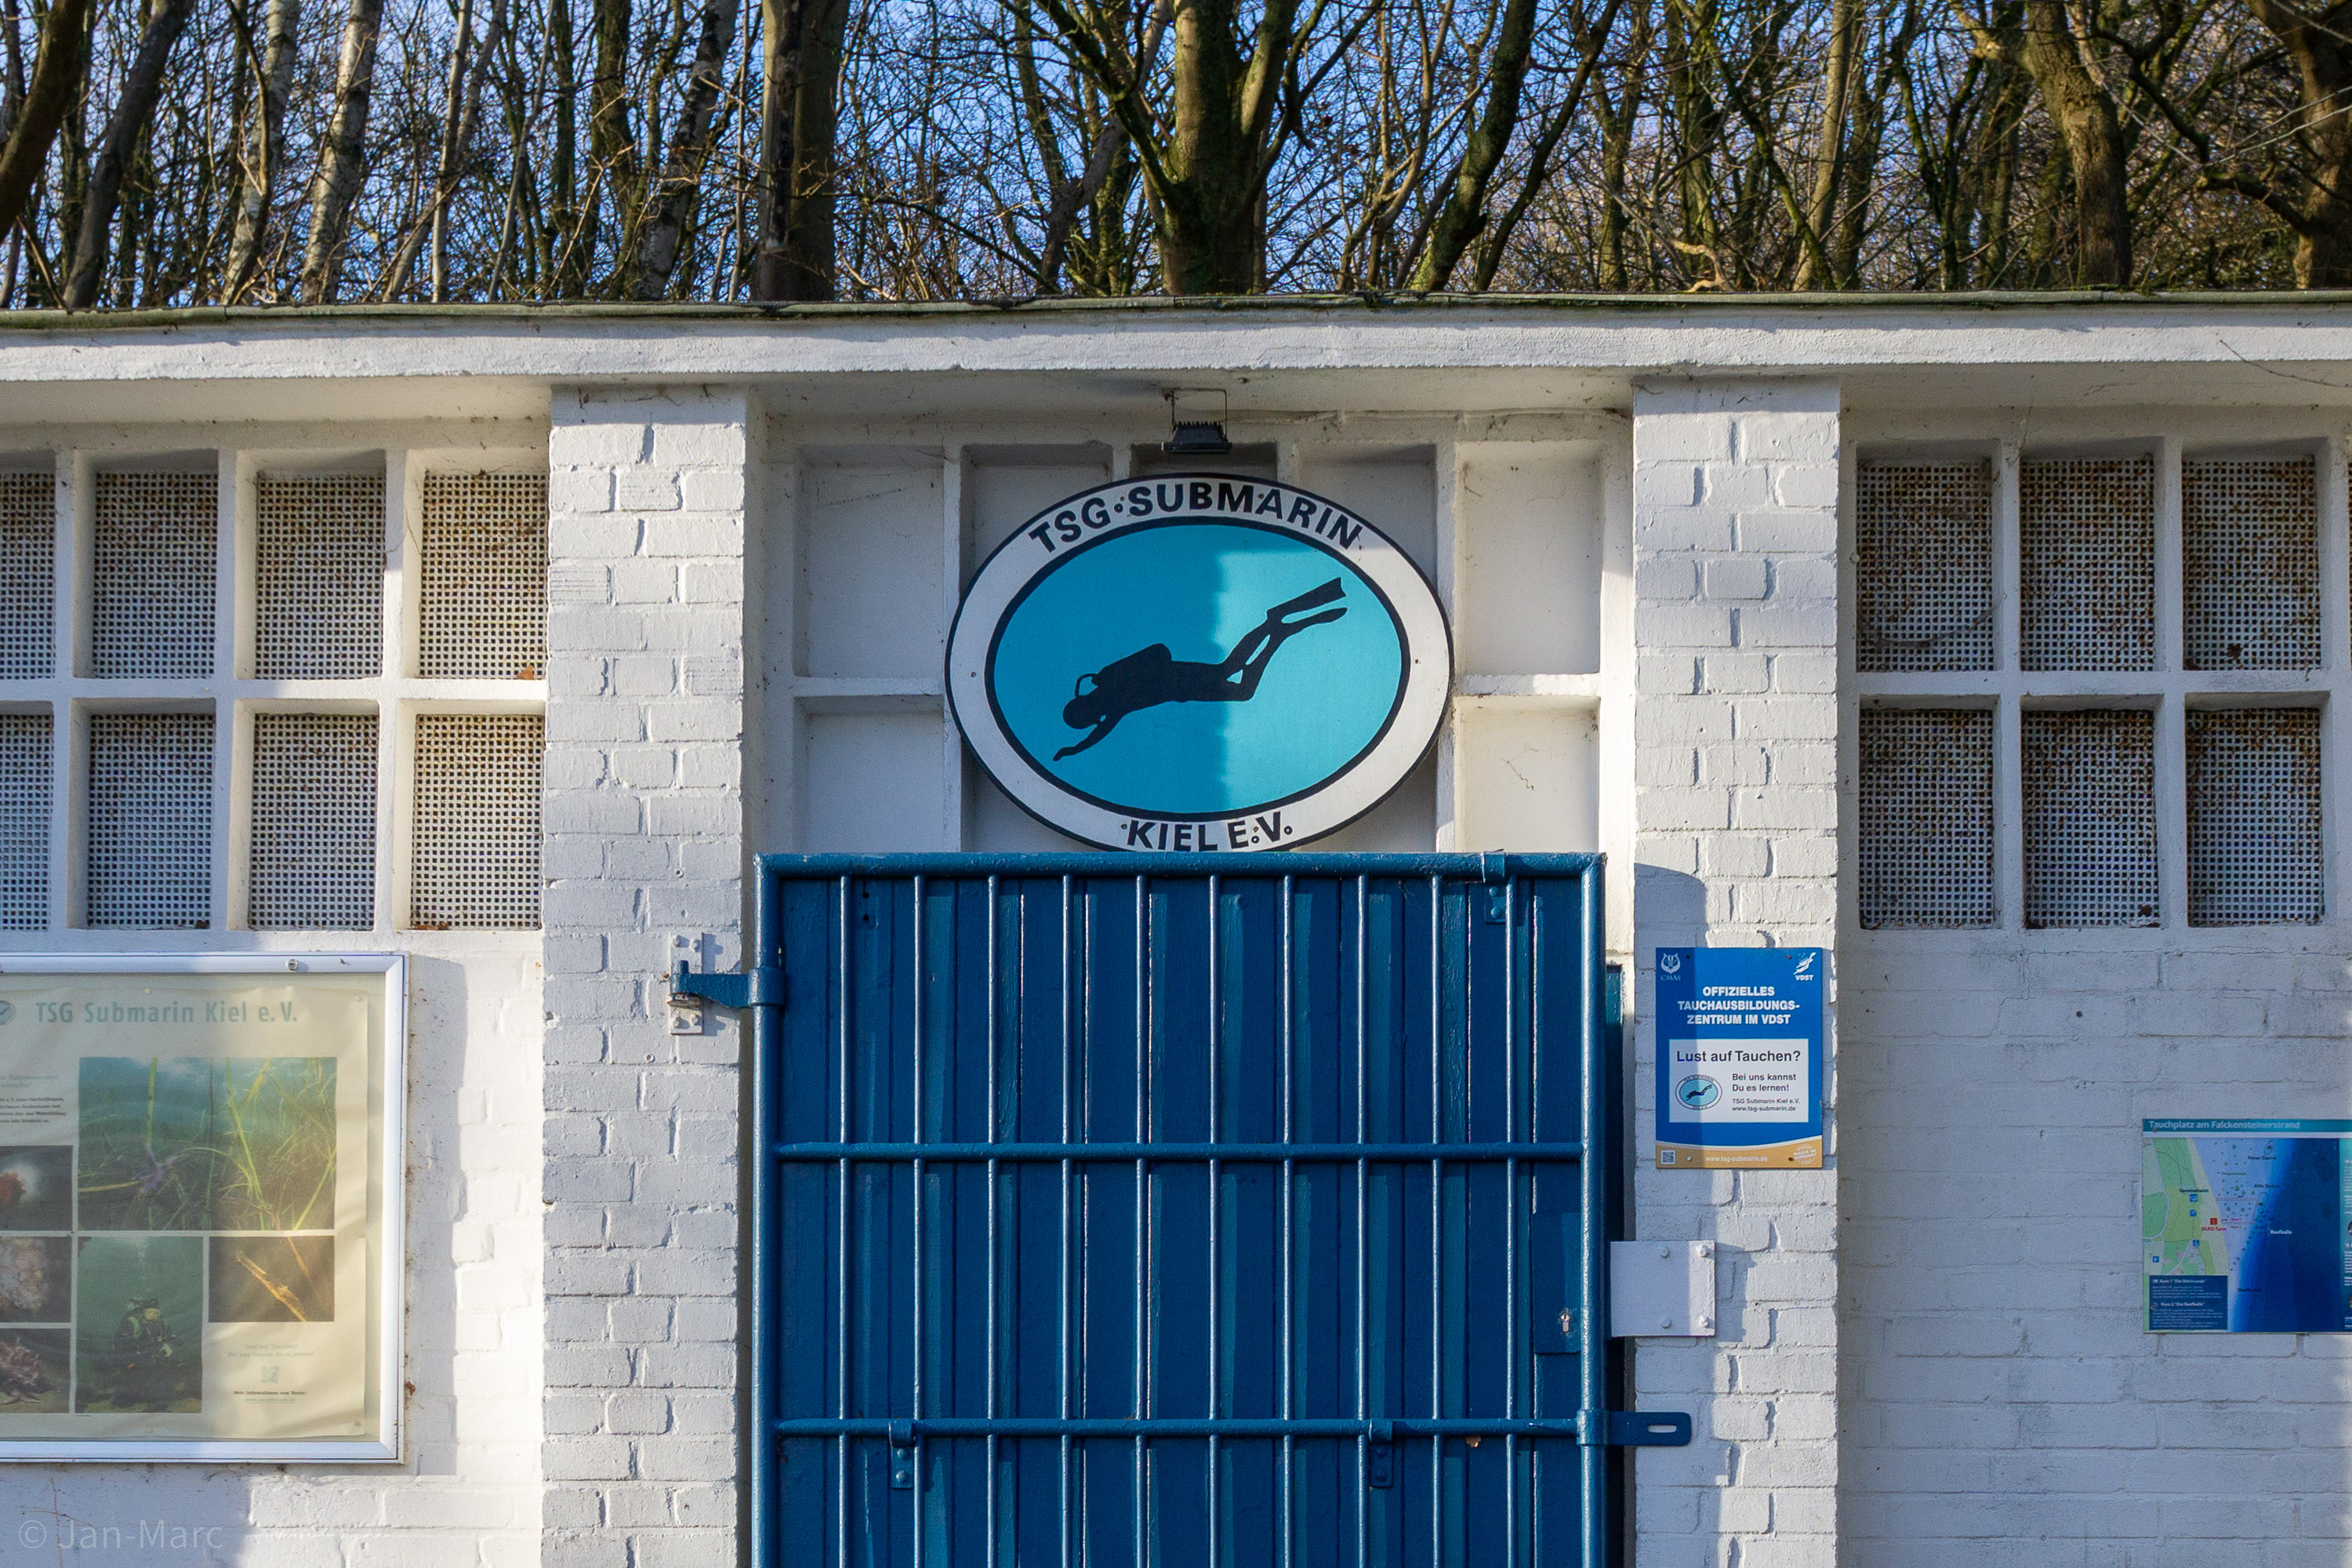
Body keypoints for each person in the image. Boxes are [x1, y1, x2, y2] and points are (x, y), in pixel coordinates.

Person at [1056, 579, 1347, 760]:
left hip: (1180, 681)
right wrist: (1073, 750)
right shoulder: (1109, 696)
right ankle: (1276, 629)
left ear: (1087, 711)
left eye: (1088, 719)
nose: (1094, 722)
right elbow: (1098, 735)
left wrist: (1074, 749)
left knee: (1233, 677)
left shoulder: (1111, 695)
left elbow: (1099, 734)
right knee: (1236, 680)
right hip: (1181, 686)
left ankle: (1275, 627)